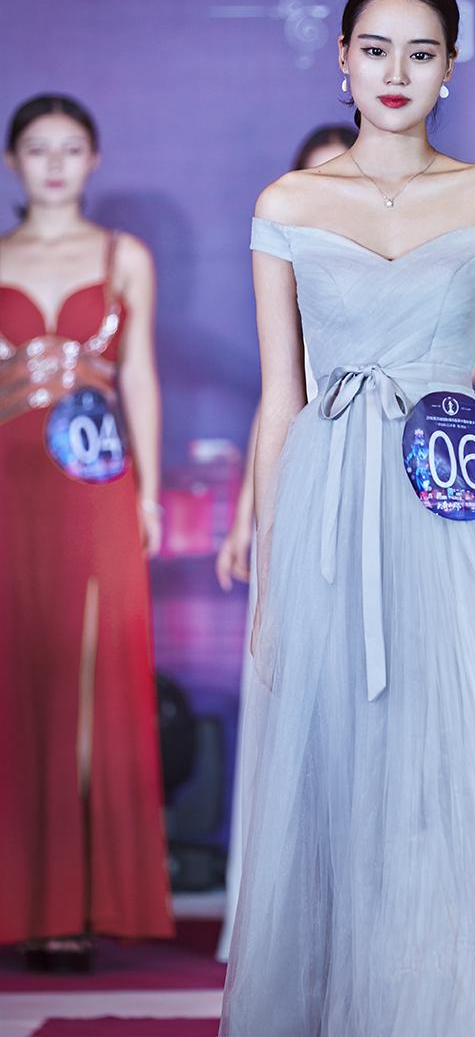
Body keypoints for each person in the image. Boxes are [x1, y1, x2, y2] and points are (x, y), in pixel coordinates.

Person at [220, 0, 475, 1036]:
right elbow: (280, 401)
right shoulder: (287, 204)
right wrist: (271, 575)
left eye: (420, 51)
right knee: (334, 785)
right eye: (375, 49)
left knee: (446, 784)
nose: (395, 71)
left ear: (451, 66)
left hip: (454, 509)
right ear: (342, 58)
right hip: (327, 516)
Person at [0, 95, 173, 970]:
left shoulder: (122, 256)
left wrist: (149, 492)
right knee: (16, 679)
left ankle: (73, 902)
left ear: (94, 159)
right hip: (10, 486)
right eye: (38, 149)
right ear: (13, 162)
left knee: (87, 682)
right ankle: (21, 899)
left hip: (96, 485)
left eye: (71, 148)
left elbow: (138, 375)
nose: (55, 164)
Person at [214, 122, 356, 963]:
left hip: (394, 492)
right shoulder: (289, 261)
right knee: (296, 711)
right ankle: (284, 917)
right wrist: (248, 520)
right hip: (302, 498)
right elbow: (280, 403)